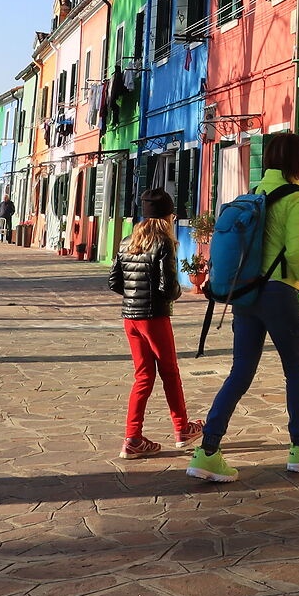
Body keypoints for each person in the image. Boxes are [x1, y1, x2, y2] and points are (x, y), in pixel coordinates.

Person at [187, 130, 299, 482]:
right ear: (292, 160)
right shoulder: (295, 196)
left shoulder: (254, 194)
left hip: (246, 295)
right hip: (279, 292)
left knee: (240, 372)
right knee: (295, 371)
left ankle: (207, 451)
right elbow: (298, 250)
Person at [109, 187, 191, 457]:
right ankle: (182, 429)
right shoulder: (164, 243)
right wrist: (176, 294)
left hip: (130, 319)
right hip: (154, 317)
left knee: (143, 376)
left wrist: (134, 295)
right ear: (167, 216)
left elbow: (114, 282)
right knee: (170, 372)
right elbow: (168, 287)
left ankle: (132, 438)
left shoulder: (125, 242)